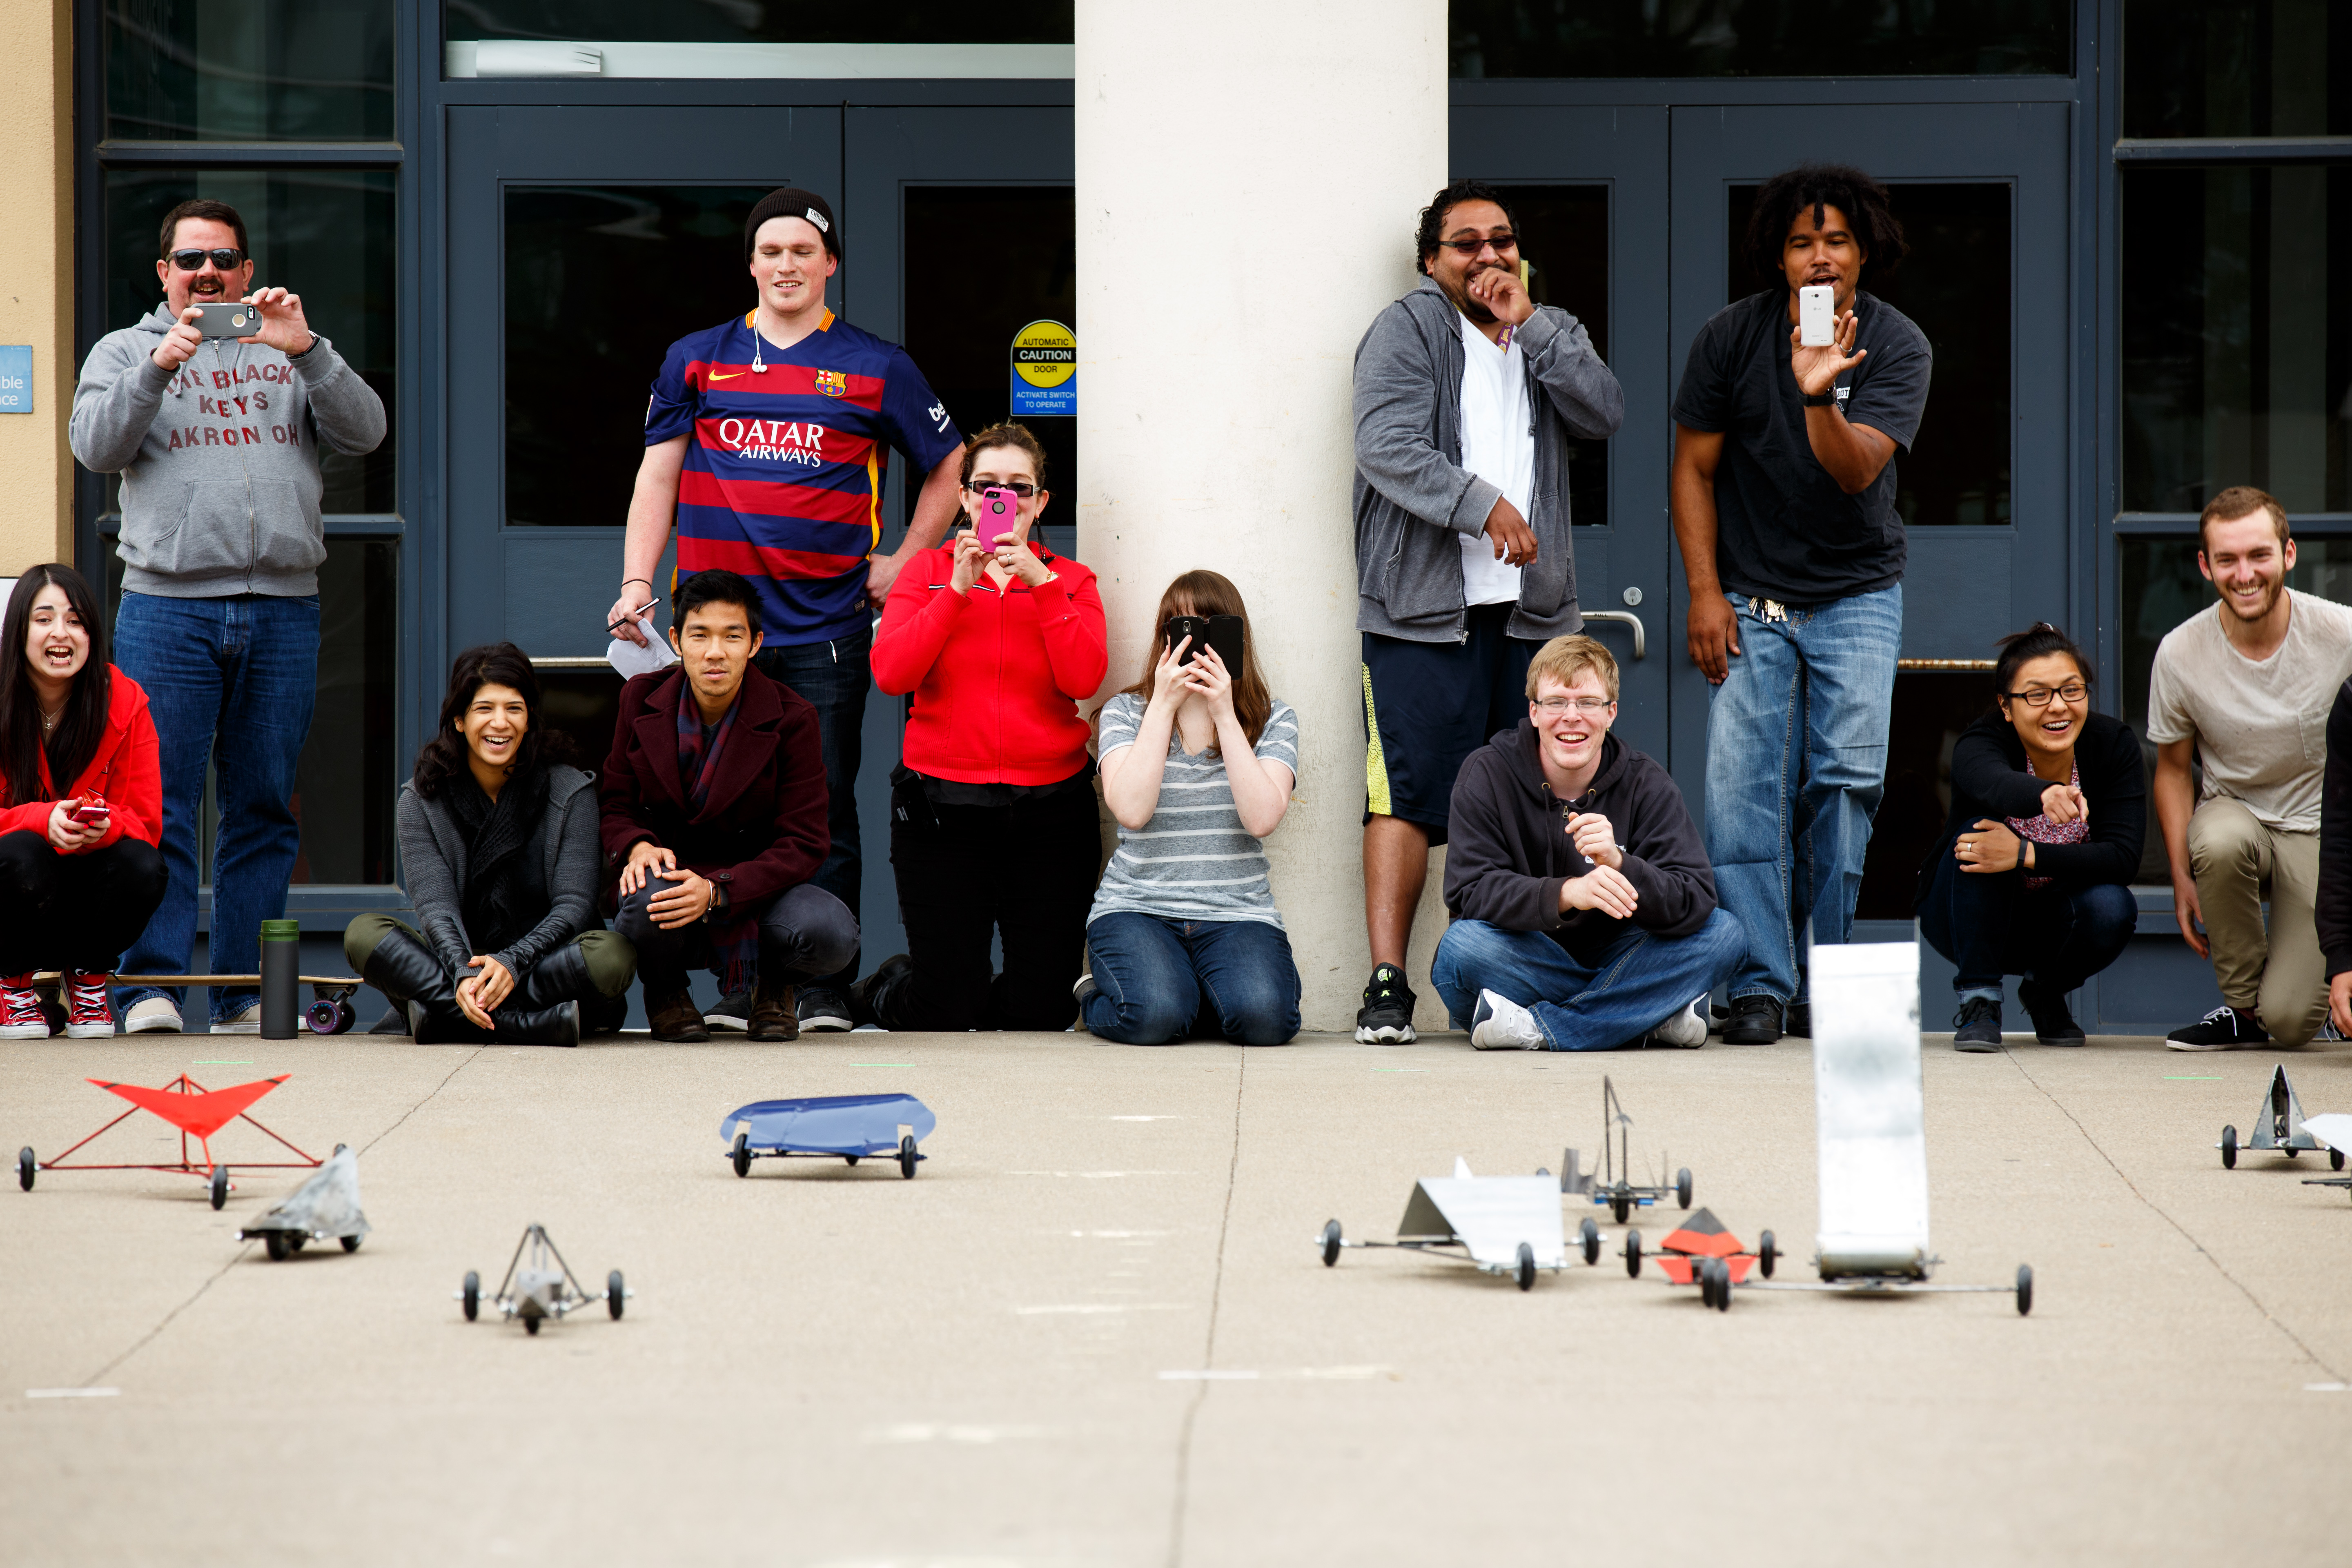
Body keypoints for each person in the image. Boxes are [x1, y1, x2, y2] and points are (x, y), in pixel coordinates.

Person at [609, 187, 965, 1036]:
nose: (787, 266)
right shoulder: (697, 358)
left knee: (823, 813)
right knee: (708, 809)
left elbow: (949, 466)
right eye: (771, 252)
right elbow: (657, 474)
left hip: (824, 635)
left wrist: (907, 559)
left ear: (830, 264)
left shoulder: (879, 365)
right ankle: (742, 982)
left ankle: (818, 987)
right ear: (752, 264)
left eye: (804, 252)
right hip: (714, 640)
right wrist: (634, 582)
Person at [68, 196, 387, 1035]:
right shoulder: (125, 351)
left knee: (263, 807)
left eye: (223, 260)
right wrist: (158, 369)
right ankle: (150, 992)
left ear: (245, 272)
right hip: (167, 611)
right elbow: (96, 449)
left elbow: (367, 432)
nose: (207, 272)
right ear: (165, 274)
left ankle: (247, 993)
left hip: (283, 609)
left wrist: (310, 351)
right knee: (157, 806)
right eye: (190, 261)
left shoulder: (285, 347)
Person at [1350, 178, 1625, 1044]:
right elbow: (1385, 446)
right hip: (1421, 611)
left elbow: (1605, 412)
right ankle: (1389, 983)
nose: (1488, 256)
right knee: (1405, 796)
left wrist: (1533, 322)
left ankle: (1532, 973)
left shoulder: (1550, 331)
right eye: (1466, 243)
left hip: (1531, 617)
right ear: (1434, 262)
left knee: (1541, 798)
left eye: (1501, 240)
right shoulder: (1407, 330)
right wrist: (1484, 505)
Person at [1669, 163, 1931, 1045]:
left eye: (1836, 240)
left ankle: (1833, 976)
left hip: (1858, 595)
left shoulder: (1898, 346)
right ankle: (1760, 984)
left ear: (1865, 252)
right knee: (1742, 794)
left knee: (1845, 789)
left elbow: (1857, 468)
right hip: (1753, 596)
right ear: (1778, 258)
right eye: (1801, 242)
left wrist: (1819, 391)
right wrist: (1706, 593)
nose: (1820, 258)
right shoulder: (1729, 339)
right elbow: (1694, 469)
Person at [858, 423, 1106, 1033]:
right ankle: (888, 988)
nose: (1005, 499)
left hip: (1050, 812)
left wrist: (1041, 585)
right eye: (987, 486)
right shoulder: (926, 575)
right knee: (944, 1012)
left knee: (1043, 1012)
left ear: (1041, 501)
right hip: (943, 808)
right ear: (966, 499)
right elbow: (892, 673)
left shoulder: (1070, 581)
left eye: (1020, 488)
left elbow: (1084, 677)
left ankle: (974, 988)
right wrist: (958, 594)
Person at [1432, 635, 1742, 1051]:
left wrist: (1620, 863)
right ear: (1534, 712)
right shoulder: (1488, 772)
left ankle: (1541, 1028)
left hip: (1625, 953)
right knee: (1463, 948)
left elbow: (1696, 898)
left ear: (1611, 713)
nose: (1571, 717)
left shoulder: (1646, 782)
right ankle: (1647, 1014)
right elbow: (1469, 892)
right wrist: (1568, 893)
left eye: (1589, 703)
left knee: (1725, 934)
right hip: (1525, 952)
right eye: (1556, 702)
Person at [600, 570, 857, 1042]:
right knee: (640, 898)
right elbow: (617, 802)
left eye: (732, 636)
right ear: (676, 640)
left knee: (830, 932)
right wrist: (636, 846)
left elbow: (805, 842)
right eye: (700, 636)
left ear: (755, 643)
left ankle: (775, 988)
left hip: (756, 889)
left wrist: (719, 890)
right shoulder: (640, 699)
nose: (715, 652)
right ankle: (667, 991)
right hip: (673, 878)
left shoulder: (792, 717)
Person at [345, 646, 635, 1047]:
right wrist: (464, 972)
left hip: (543, 962)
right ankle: (533, 1025)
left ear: (530, 717)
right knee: (363, 934)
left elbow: (574, 907)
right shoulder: (423, 801)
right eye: (484, 709)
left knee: (612, 954)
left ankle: (444, 1018)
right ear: (460, 720)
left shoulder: (571, 793)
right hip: (459, 963)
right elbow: (436, 909)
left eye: (514, 709)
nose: (500, 723)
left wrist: (513, 961)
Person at [2149, 487, 2352, 1050]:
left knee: (2290, 1027)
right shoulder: (2180, 651)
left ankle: (2280, 1010)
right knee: (2217, 839)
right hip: (2236, 821)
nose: (2245, 574)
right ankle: (2241, 1008)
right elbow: (2171, 769)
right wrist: (2181, 875)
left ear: (2288, 555)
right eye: (2228, 559)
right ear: (2205, 565)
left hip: (2320, 834)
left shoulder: (2343, 635)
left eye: (2259, 555)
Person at [1081, 570, 1302, 1046]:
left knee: (1265, 1022)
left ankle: (1192, 999)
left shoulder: (1273, 719)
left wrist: (1225, 712)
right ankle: (1096, 996)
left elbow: (1262, 819)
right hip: (1138, 910)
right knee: (1155, 1017)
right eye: (1183, 628)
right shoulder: (1125, 712)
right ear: (1165, 639)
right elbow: (1132, 811)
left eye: (1211, 629)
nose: (1197, 645)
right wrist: (1162, 706)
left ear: (1234, 637)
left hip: (1238, 914)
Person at [1916, 624, 2144, 1051]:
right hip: (1963, 916)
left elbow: (2122, 857)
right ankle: (1979, 999)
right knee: (1977, 839)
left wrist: (2025, 853)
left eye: (2072, 691)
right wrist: (2043, 793)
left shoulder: (2111, 745)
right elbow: (1993, 782)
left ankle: (2045, 990)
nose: (2058, 707)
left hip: (2054, 924)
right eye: (2037, 695)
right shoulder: (1982, 741)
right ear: (2006, 706)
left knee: (2114, 905)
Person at [0, 567, 165, 1040]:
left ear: (92, 634)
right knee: (21, 853)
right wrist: (39, 818)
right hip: (16, 892)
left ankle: (89, 981)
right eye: (44, 619)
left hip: (82, 892)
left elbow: (147, 822)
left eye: (75, 621)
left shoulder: (125, 702)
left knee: (142, 864)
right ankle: (10, 983)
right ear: (19, 631)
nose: (60, 634)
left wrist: (105, 827)